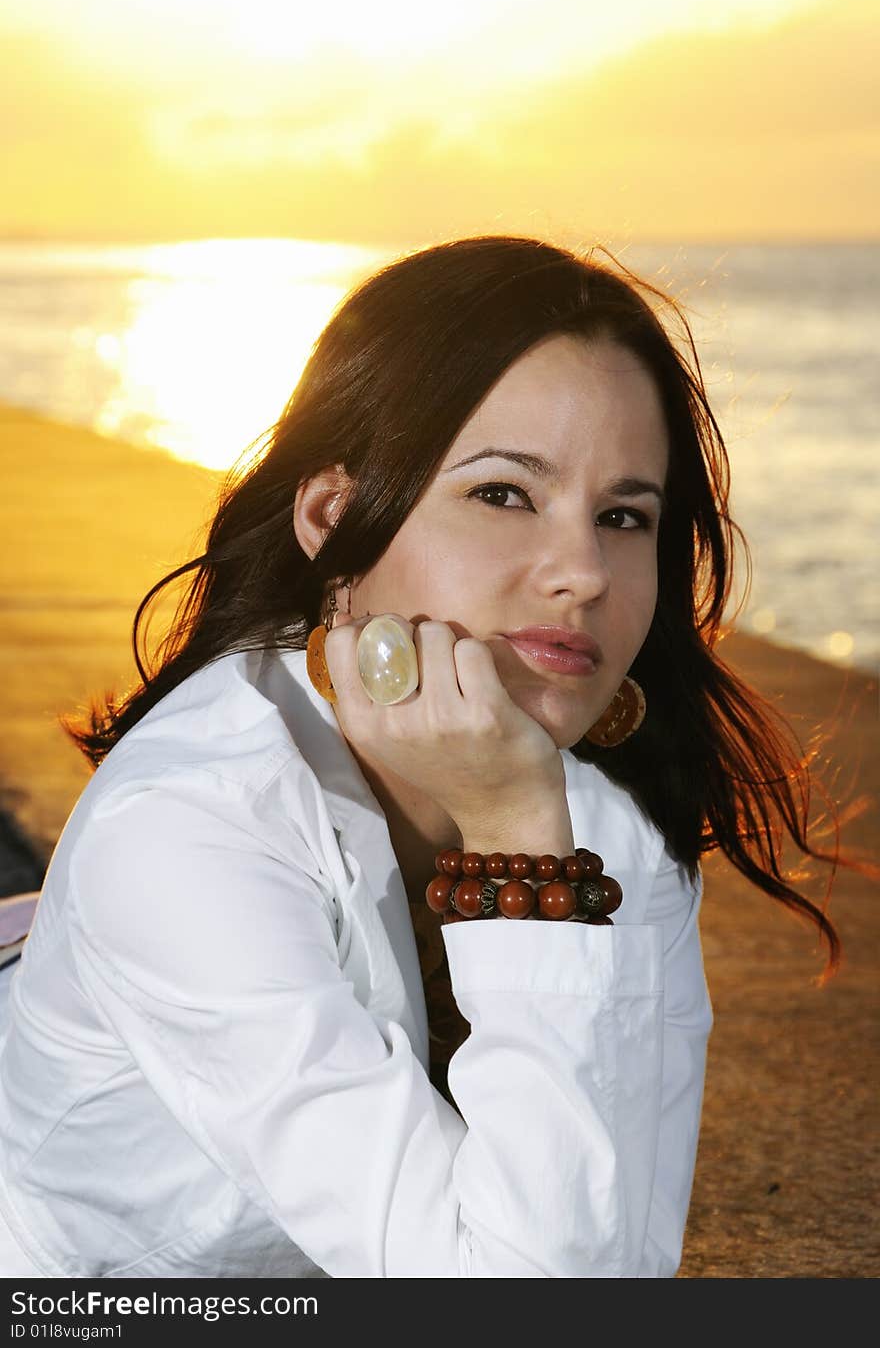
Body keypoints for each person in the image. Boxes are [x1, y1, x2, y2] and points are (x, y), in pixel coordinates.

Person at [0, 234, 858, 1279]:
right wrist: (513, 847)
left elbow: (614, 1263)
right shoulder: (186, 827)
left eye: (623, 515)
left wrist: (525, 828)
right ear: (332, 515)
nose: (581, 572)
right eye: (503, 494)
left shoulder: (605, 816)